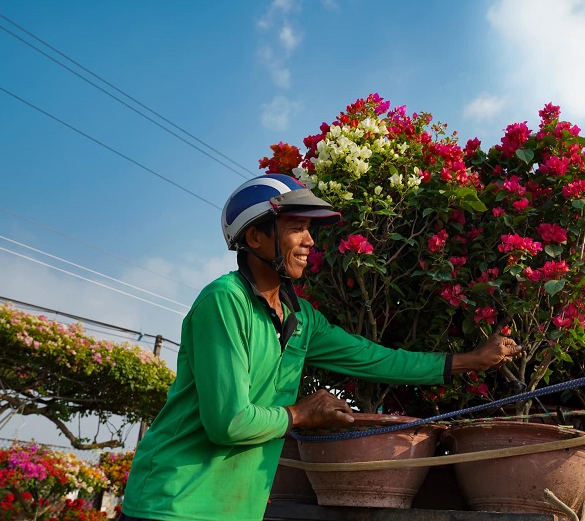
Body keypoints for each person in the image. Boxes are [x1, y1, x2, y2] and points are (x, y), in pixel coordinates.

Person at [120, 173, 523, 521]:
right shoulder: (224, 301)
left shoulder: (302, 317)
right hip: (172, 504)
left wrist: (471, 360)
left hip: (238, 509)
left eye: (310, 229)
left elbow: (375, 358)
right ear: (255, 236)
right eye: (296, 227)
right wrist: (302, 413)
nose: (310, 241)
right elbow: (229, 422)